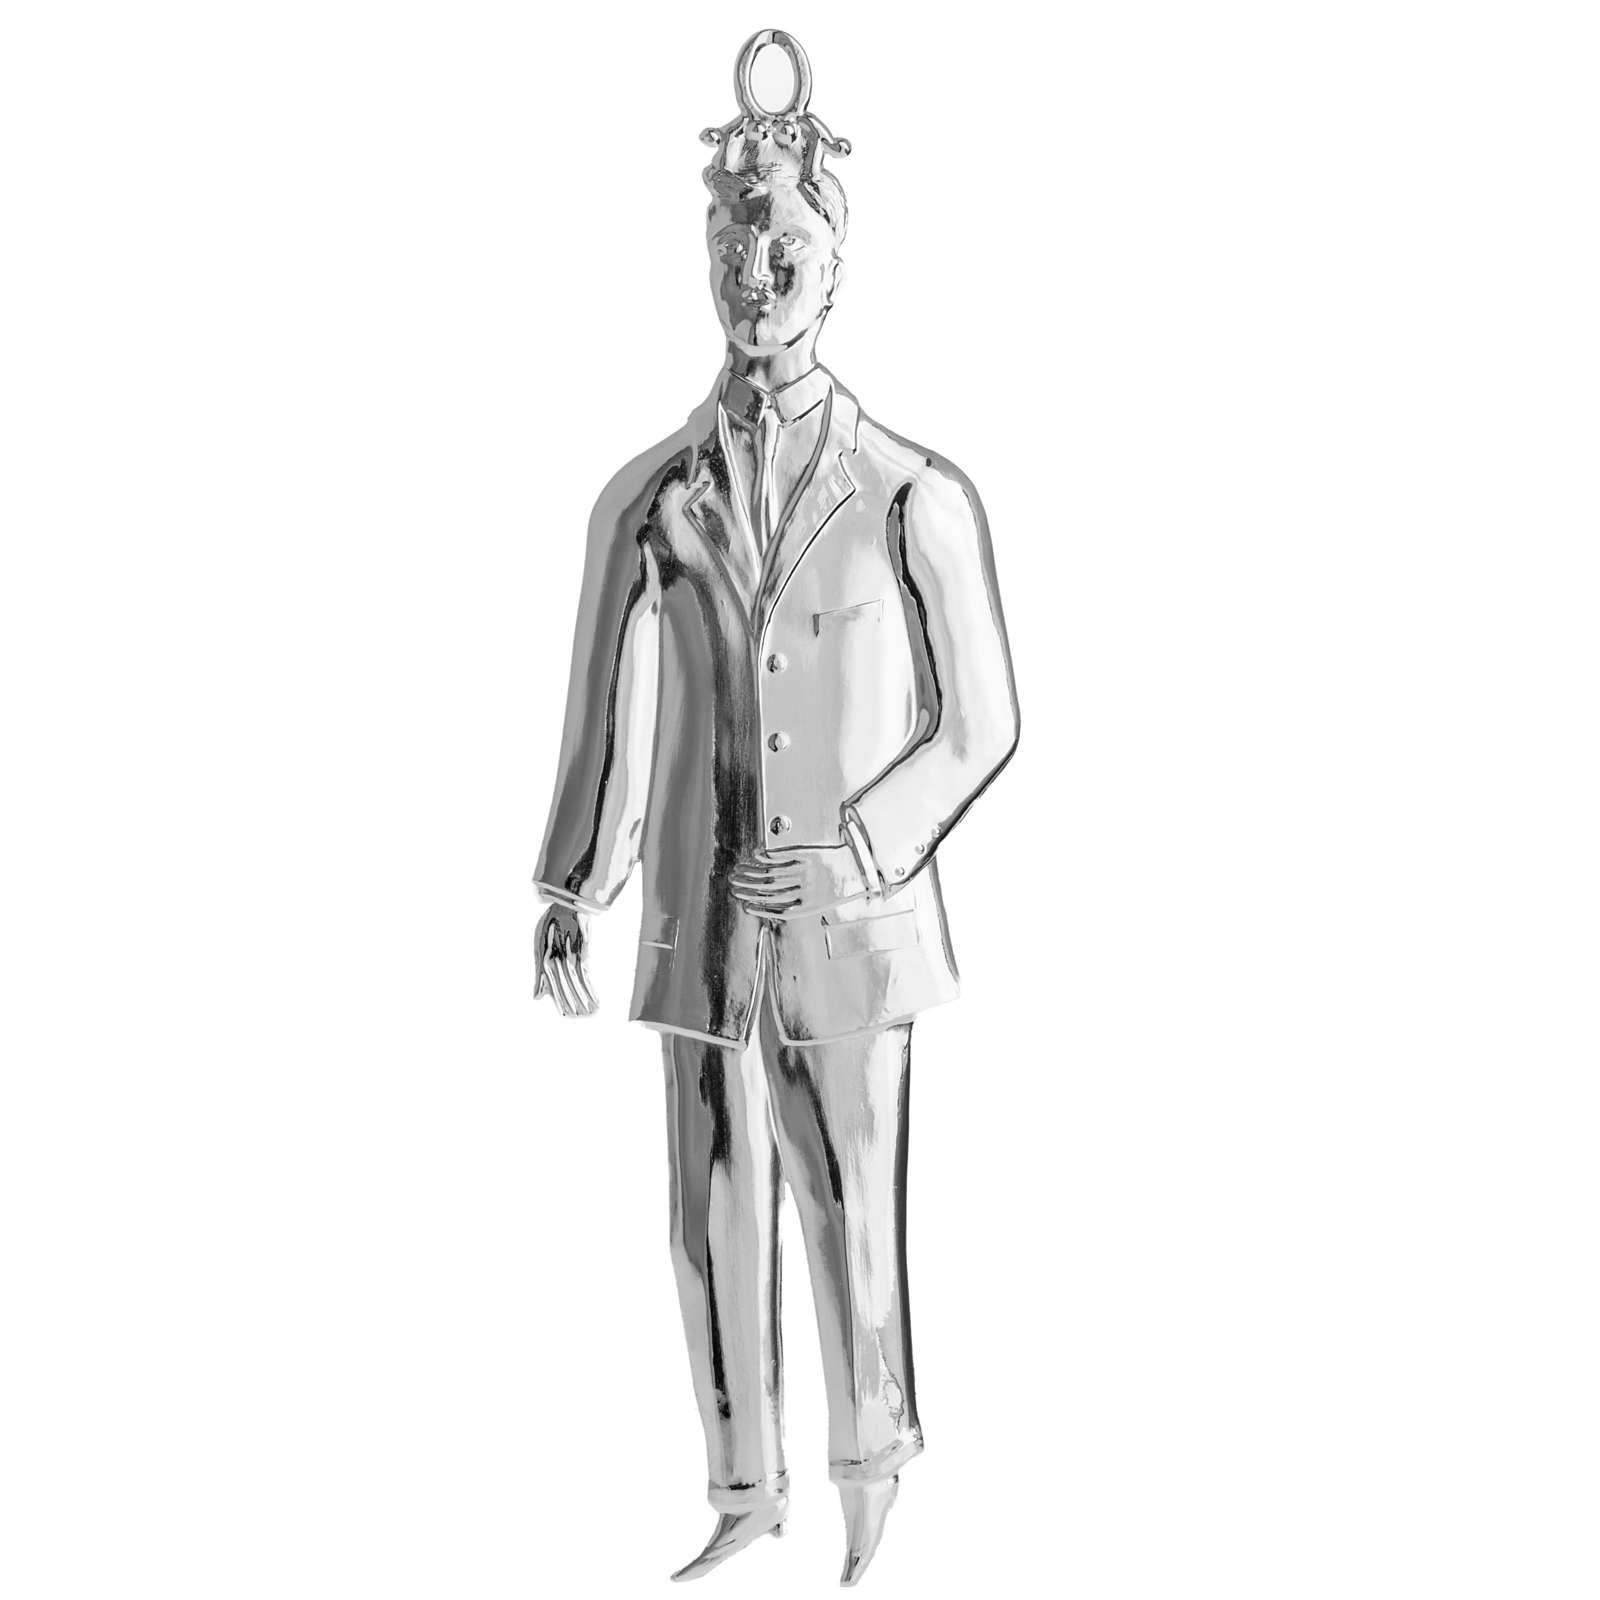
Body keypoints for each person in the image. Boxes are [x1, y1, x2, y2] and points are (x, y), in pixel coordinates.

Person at [532, 30, 1019, 1586]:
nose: (762, 277)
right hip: (698, 923)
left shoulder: (912, 491)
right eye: (738, 251)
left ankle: (876, 1479)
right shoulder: (648, 498)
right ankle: (743, 1491)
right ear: (708, 266)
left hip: (855, 924)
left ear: (835, 264)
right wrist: (572, 885)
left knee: (852, 1205)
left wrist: (862, 842)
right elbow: (604, 709)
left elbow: (983, 725)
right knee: (709, 1213)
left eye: (789, 248)